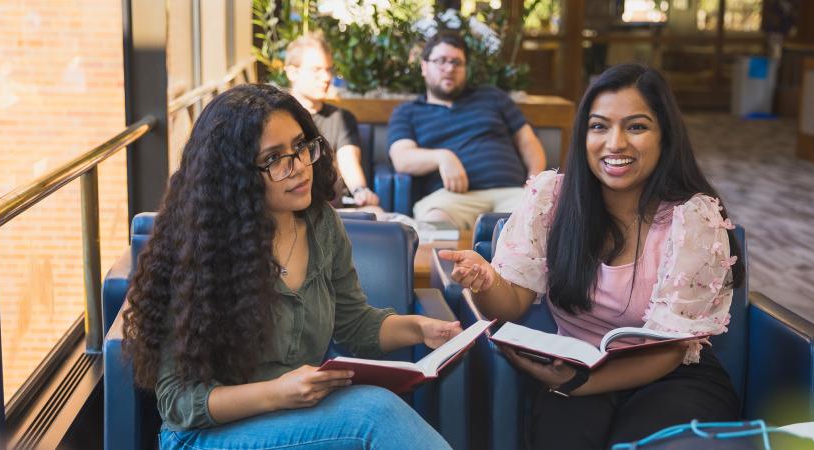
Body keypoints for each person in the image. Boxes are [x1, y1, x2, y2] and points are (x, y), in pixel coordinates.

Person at [121, 84, 460, 450]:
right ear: (236, 176)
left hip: (294, 419)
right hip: (205, 435)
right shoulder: (200, 247)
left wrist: (418, 327)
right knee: (373, 414)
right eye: (275, 159)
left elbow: (355, 324)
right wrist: (277, 394)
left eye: (301, 146)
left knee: (374, 411)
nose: (299, 167)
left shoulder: (321, 224)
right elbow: (178, 403)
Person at [438, 63, 747, 449]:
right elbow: (512, 303)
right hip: (576, 367)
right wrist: (486, 281)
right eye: (599, 126)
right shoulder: (551, 199)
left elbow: (671, 350)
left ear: (665, 135)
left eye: (636, 127)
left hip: (672, 377)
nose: (615, 143)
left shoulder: (694, 218)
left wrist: (580, 383)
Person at [388, 31, 546, 230]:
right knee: (435, 225)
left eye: (457, 62)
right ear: (424, 66)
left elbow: (527, 141)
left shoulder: (492, 97)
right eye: (442, 61)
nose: (449, 68)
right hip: (452, 199)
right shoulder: (408, 112)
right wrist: (442, 157)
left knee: (539, 223)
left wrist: (535, 184)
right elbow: (402, 158)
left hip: (511, 193)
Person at [284, 33, 382, 213]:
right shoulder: (278, 117)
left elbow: (348, 161)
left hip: (333, 205)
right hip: (290, 205)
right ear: (293, 72)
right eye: (317, 70)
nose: (326, 77)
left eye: (329, 70)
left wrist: (360, 191)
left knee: (377, 215)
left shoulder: (341, 118)